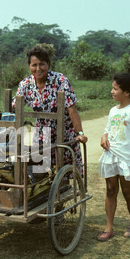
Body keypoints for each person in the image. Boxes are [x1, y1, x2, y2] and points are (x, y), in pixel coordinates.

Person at [12, 44, 87, 174]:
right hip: (41, 135)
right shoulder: (25, 85)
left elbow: (72, 109)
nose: (38, 68)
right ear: (29, 66)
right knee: (43, 174)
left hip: (63, 133)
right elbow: (15, 108)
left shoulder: (60, 80)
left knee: (64, 173)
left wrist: (80, 133)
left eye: (42, 64)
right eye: (34, 65)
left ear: (48, 64)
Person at [98, 73, 130, 241]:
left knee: (127, 192)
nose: (112, 91)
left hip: (126, 157)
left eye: (115, 88)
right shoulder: (113, 110)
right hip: (110, 155)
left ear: (126, 92)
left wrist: (126, 124)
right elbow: (108, 128)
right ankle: (109, 228)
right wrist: (104, 136)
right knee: (111, 190)